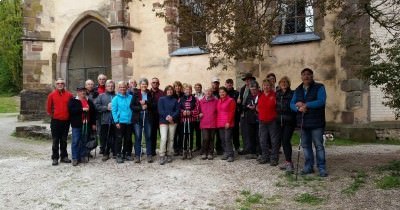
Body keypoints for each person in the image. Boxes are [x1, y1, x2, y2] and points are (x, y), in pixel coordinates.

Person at [290, 68, 328, 177]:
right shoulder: (297, 90)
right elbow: (292, 104)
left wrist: (306, 105)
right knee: (306, 145)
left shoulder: (319, 87)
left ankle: (321, 167)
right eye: (304, 75)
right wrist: (298, 109)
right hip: (303, 122)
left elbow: (321, 101)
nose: (306, 76)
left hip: (316, 122)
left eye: (308, 74)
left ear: (312, 76)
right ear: (301, 77)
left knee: (319, 145)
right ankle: (308, 166)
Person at [46, 78, 73, 166]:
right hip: (56, 121)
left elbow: (72, 107)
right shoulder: (51, 95)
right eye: (58, 83)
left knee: (64, 139)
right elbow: (48, 109)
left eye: (62, 83)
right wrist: (54, 116)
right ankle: (55, 157)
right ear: (55, 85)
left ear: (64, 84)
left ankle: (64, 156)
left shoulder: (69, 95)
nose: (60, 84)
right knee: (55, 140)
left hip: (66, 121)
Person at [68, 86, 96, 166]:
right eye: (81, 91)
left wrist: (93, 123)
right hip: (77, 124)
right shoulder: (73, 100)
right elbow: (71, 110)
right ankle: (75, 158)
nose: (82, 93)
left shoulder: (89, 101)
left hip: (87, 124)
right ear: (78, 92)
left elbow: (93, 113)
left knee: (84, 140)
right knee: (75, 141)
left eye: (84, 91)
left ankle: (83, 155)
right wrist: (81, 109)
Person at [131, 78, 154, 163]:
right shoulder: (136, 94)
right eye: (142, 84)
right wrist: (140, 107)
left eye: (145, 84)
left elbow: (153, 105)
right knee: (138, 136)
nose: (144, 85)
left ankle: (149, 155)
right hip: (138, 117)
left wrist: (147, 103)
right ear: (140, 85)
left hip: (147, 116)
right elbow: (132, 106)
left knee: (148, 136)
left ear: (147, 85)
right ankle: (137, 155)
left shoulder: (150, 93)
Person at [257, 79, 280, 166]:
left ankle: (274, 158)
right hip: (262, 121)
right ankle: (265, 156)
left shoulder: (275, 95)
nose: (266, 87)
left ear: (271, 86)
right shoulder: (260, 95)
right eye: (264, 85)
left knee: (274, 140)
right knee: (263, 140)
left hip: (272, 121)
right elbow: (258, 107)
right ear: (262, 86)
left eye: (268, 85)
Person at [276, 76, 297, 173]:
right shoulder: (277, 94)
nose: (283, 84)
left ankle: (289, 163)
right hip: (279, 121)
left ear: (288, 84)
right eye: (282, 82)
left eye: (285, 82)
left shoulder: (293, 94)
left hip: (289, 121)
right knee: (282, 141)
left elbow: (294, 106)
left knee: (285, 140)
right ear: (279, 84)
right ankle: (287, 161)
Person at [111, 81, 133, 164]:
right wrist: (116, 121)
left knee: (128, 139)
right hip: (120, 122)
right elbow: (114, 111)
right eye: (121, 87)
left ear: (127, 88)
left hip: (129, 121)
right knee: (119, 139)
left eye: (124, 87)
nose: (123, 89)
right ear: (118, 88)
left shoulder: (131, 97)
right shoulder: (115, 99)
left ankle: (126, 153)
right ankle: (118, 155)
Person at [157, 85, 180, 165]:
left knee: (171, 138)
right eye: (168, 90)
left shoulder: (175, 100)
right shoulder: (161, 99)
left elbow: (177, 110)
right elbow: (160, 110)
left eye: (171, 90)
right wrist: (167, 117)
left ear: (172, 91)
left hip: (173, 122)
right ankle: (162, 155)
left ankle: (169, 154)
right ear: (166, 91)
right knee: (164, 138)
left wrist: (172, 117)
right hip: (163, 121)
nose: (169, 91)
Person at [95, 80, 117, 161]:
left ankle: (115, 152)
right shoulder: (101, 96)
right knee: (105, 137)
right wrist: (106, 108)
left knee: (115, 137)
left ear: (114, 87)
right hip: (105, 120)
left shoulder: (117, 96)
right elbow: (96, 106)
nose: (110, 87)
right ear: (106, 87)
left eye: (112, 86)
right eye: (109, 86)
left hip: (115, 121)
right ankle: (105, 153)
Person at [178, 83, 199, 159]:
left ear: (191, 90)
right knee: (183, 135)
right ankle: (184, 151)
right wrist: (182, 112)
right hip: (183, 120)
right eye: (186, 89)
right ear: (183, 90)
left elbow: (197, 109)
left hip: (191, 120)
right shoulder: (180, 99)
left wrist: (191, 112)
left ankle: (190, 150)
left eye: (189, 89)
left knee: (190, 134)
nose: (188, 90)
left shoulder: (195, 99)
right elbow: (178, 108)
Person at [216, 87, 236, 162]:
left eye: (223, 92)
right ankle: (226, 152)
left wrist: (228, 122)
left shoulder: (231, 100)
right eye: (220, 92)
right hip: (220, 122)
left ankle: (231, 154)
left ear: (226, 92)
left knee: (228, 139)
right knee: (222, 139)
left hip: (228, 122)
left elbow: (232, 112)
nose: (222, 93)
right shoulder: (218, 101)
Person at [238, 72, 256, 155]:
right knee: (244, 131)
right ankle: (246, 147)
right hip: (243, 112)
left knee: (251, 132)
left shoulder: (254, 88)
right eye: (246, 80)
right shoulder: (242, 88)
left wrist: (244, 106)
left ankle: (252, 149)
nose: (247, 81)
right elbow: (240, 100)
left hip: (251, 113)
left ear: (252, 80)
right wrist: (239, 102)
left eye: (249, 80)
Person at [198, 87, 218, 160]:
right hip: (204, 122)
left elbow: (218, 111)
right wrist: (199, 114)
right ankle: (204, 152)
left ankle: (210, 153)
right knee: (205, 138)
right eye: (207, 91)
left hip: (213, 122)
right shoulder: (201, 101)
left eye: (210, 91)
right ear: (204, 92)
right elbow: (198, 111)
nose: (208, 93)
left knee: (212, 138)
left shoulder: (216, 101)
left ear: (211, 92)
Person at [243, 80, 261, 159]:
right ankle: (252, 152)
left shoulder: (260, 96)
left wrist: (255, 108)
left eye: (254, 89)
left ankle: (260, 153)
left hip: (259, 119)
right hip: (250, 119)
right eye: (251, 89)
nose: (253, 91)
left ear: (257, 89)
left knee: (259, 136)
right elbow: (243, 106)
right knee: (251, 136)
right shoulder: (249, 96)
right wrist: (247, 106)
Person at [150, 77, 165, 157]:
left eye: (156, 82)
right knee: (152, 134)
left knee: (162, 135)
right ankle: (152, 151)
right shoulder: (148, 93)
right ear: (151, 84)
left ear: (159, 83)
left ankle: (163, 151)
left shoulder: (162, 93)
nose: (155, 84)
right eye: (153, 82)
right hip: (151, 117)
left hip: (161, 116)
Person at [225, 78, 241, 153]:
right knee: (227, 133)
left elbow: (239, 103)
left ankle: (237, 146)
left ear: (232, 84)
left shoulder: (236, 93)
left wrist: (239, 102)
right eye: (228, 83)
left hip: (235, 115)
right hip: (226, 116)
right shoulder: (224, 93)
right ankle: (226, 148)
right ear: (225, 84)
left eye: (230, 83)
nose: (229, 85)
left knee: (235, 132)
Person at [173, 81, 184, 156]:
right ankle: (175, 148)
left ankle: (180, 148)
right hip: (174, 117)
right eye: (176, 86)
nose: (177, 87)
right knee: (174, 134)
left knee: (181, 134)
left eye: (179, 86)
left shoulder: (183, 95)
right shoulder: (172, 95)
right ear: (174, 87)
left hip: (182, 117)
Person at [193, 83, 204, 152]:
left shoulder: (204, 95)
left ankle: (204, 147)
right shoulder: (193, 96)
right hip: (195, 117)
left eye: (199, 87)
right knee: (197, 132)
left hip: (203, 116)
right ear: (194, 88)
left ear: (201, 88)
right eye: (196, 87)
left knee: (203, 133)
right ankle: (198, 146)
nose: (197, 88)